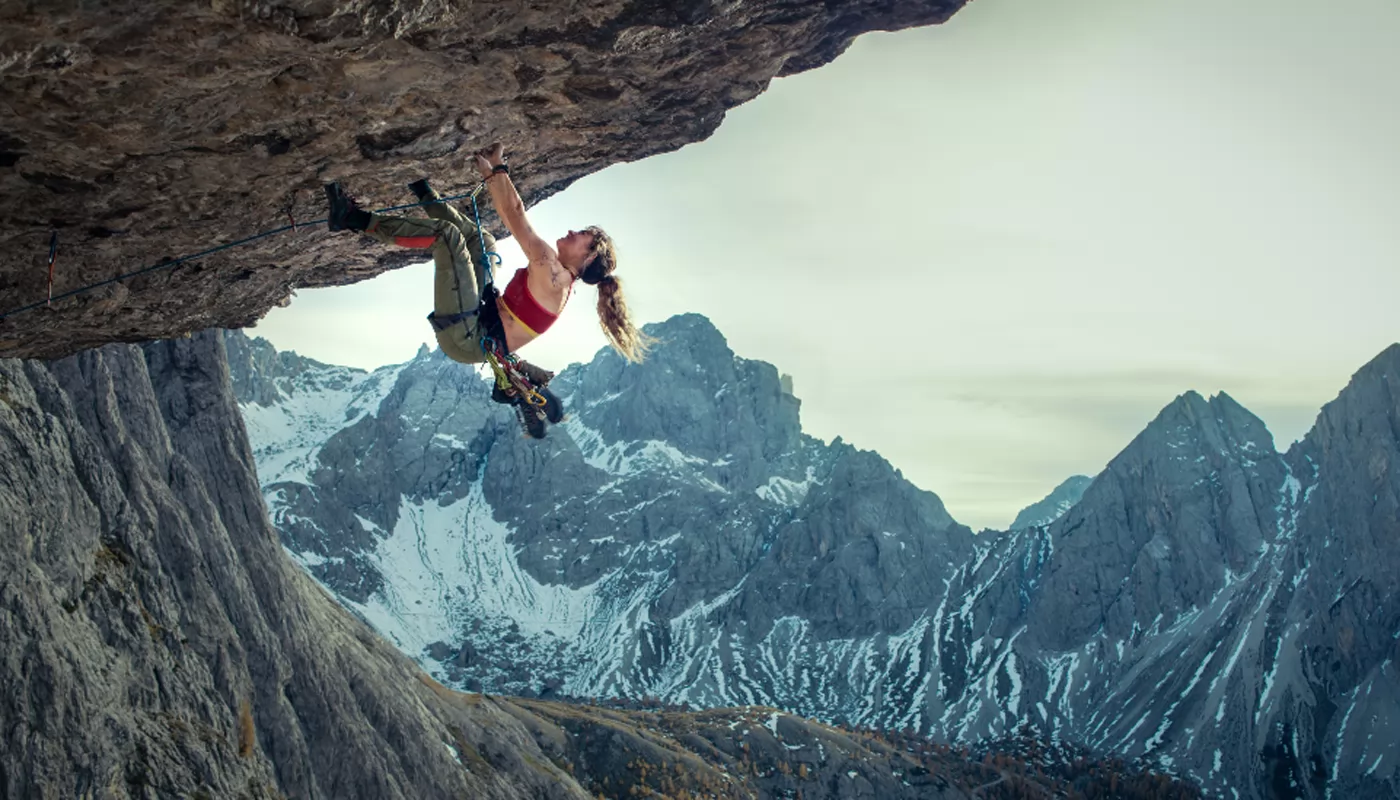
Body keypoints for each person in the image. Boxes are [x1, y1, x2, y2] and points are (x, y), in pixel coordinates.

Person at [323, 143, 650, 438]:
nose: (571, 231)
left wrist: (495, 169)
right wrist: (495, 171)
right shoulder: (559, 279)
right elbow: (512, 215)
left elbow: (515, 214)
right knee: (484, 242)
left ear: (589, 256)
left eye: (582, 235)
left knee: (448, 237)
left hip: (466, 336)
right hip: (478, 322)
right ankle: (421, 189)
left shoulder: (553, 273)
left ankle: (352, 218)